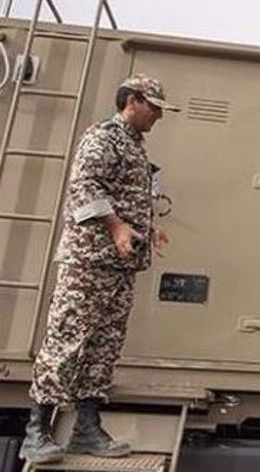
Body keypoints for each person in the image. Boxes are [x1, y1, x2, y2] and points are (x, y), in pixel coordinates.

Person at [19, 74, 181, 464]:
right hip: (88, 263)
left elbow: (126, 197)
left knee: (104, 347)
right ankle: (35, 432)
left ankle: (86, 429)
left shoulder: (134, 146)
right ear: (133, 102)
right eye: (154, 107)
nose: (159, 116)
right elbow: (85, 186)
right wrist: (117, 227)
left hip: (118, 267)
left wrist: (148, 228)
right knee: (67, 341)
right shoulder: (103, 138)